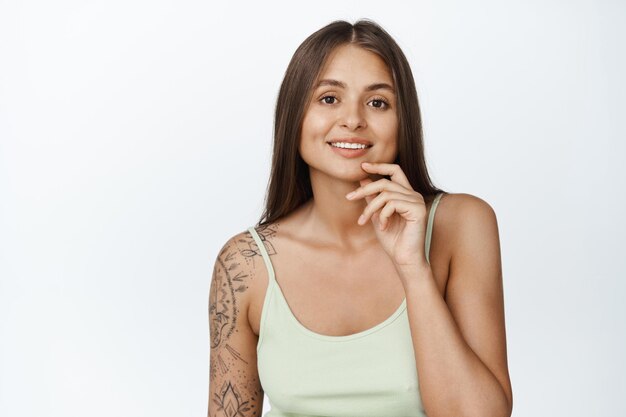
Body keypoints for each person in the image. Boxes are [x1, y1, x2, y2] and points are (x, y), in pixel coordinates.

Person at [208, 19, 513, 417]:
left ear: (403, 122)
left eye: (377, 102)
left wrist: (412, 268)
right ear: (294, 115)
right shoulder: (244, 265)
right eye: (329, 99)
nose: (353, 119)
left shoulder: (463, 225)